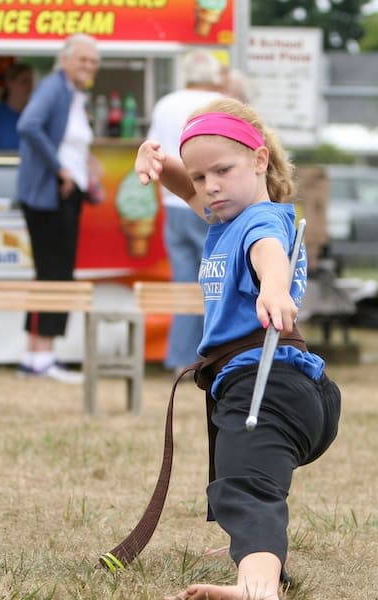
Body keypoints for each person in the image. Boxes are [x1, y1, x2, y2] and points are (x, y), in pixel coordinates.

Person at [134, 98, 342, 600]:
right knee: (245, 484)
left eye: (222, 171)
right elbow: (189, 188)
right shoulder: (224, 218)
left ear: (260, 159)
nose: (211, 187)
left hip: (268, 387)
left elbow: (268, 253)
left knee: (246, 490)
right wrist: (162, 166)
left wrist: (274, 289)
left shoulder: (259, 223)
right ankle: (254, 553)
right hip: (277, 387)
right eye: (202, 177)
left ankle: (257, 589)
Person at [15, 34, 100, 383]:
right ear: (64, 59)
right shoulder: (54, 88)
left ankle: (37, 355)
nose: (89, 67)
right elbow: (28, 126)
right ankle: (41, 357)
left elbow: (67, 140)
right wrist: (60, 169)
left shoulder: (71, 93)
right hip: (49, 196)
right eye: (83, 59)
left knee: (54, 272)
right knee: (54, 273)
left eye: (93, 62)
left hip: (62, 194)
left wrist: (86, 166)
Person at [146, 50, 224, 377]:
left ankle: (179, 358)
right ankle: (212, 356)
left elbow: (153, 148)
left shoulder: (165, 103)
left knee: (183, 282)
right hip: (210, 201)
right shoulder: (221, 103)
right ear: (214, 75)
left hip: (173, 200)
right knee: (218, 283)